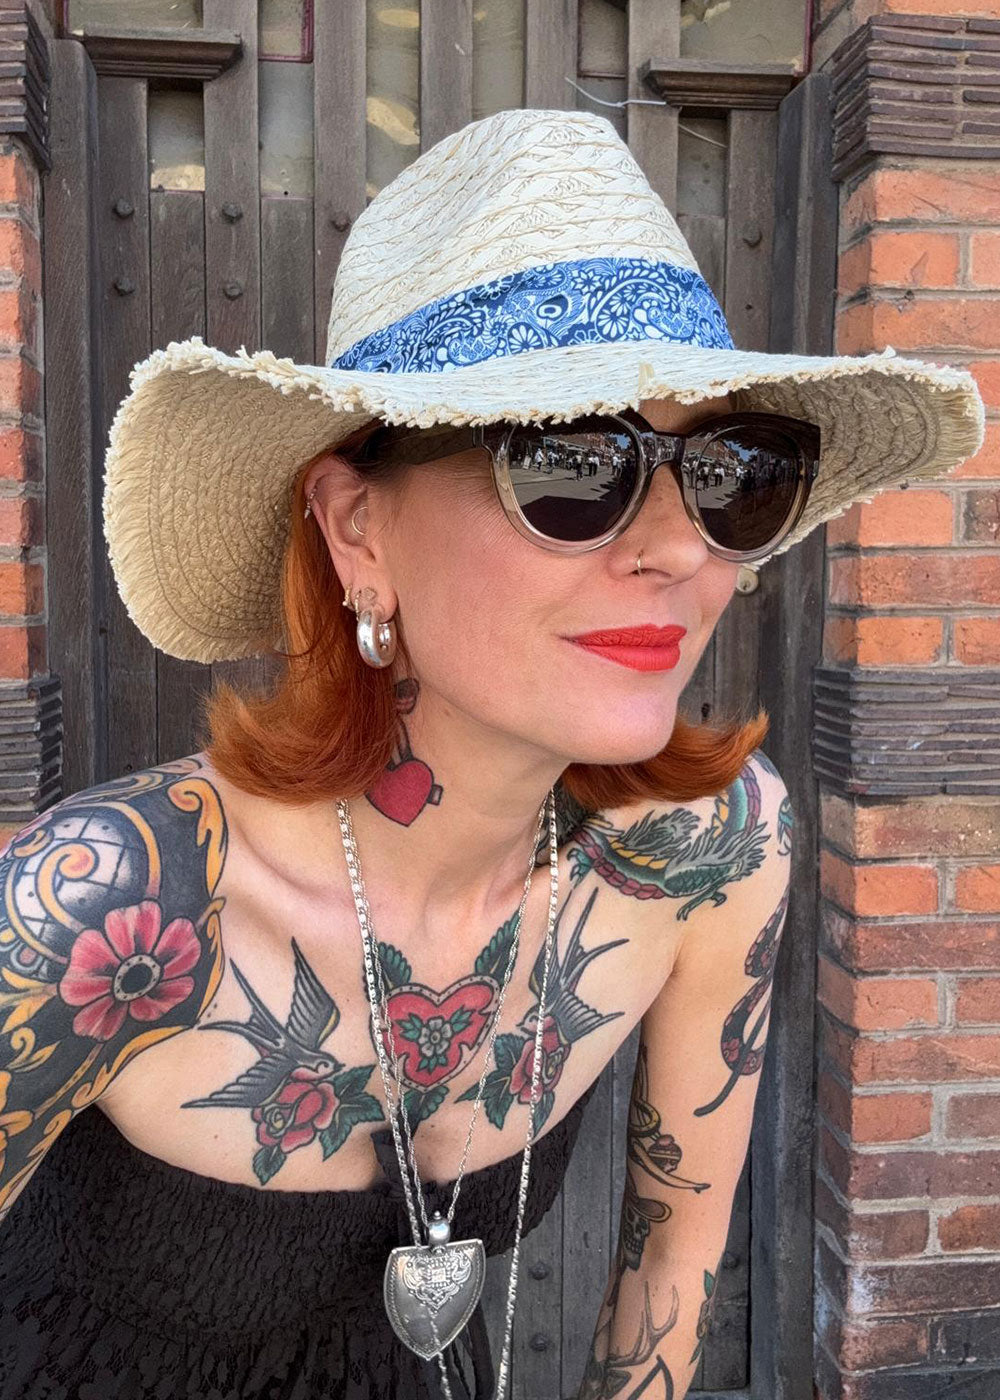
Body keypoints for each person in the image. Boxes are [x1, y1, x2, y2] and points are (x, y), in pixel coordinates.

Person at [0, 107, 984, 1400]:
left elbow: (674, 1265)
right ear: (357, 529)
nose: (678, 547)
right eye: (573, 461)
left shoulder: (715, 855)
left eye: (732, 471)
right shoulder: (101, 911)